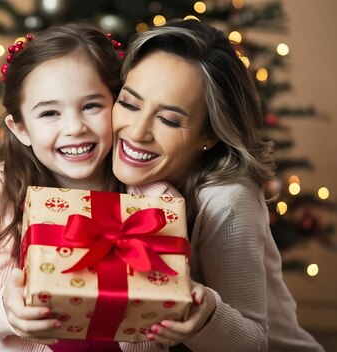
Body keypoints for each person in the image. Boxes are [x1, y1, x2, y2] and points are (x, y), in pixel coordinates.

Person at [111, 19, 325, 351]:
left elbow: (255, 341)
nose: (137, 131)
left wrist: (205, 313)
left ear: (209, 134)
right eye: (128, 103)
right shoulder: (112, 167)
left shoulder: (226, 200)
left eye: (169, 119)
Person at [0, 23, 127, 352]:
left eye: (91, 106)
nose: (75, 127)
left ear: (117, 105)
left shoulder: (138, 183)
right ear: (20, 128)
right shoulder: (3, 185)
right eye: (50, 112)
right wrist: (7, 312)